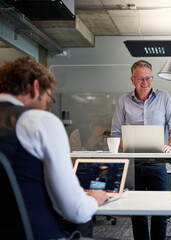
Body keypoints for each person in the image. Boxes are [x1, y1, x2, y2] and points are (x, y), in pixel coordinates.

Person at [0, 56, 109, 240]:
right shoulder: (38, 121)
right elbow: (77, 211)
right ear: (36, 88)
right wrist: (93, 198)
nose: (45, 106)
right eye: (48, 98)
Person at [111, 60, 171, 240]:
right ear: (132, 79)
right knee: (138, 212)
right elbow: (115, 133)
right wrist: (128, 147)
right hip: (134, 163)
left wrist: (170, 145)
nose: (146, 82)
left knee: (160, 210)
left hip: (157, 163)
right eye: (141, 79)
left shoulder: (164, 98)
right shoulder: (123, 101)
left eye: (149, 78)